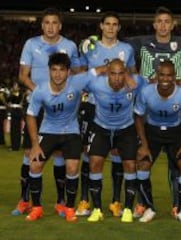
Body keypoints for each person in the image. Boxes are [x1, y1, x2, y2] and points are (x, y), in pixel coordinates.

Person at [126, 6, 181, 217]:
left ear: (173, 24)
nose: (164, 25)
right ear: (154, 24)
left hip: (174, 112)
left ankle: (178, 206)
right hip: (148, 111)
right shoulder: (140, 43)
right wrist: (135, 75)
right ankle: (144, 205)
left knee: (178, 166)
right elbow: (119, 49)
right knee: (142, 161)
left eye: (168, 21)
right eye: (160, 21)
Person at [12, 7, 82, 216]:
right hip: (38, 103)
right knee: (30, 153)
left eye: (54, 23)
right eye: (47, 23)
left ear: (60, 25)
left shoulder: (69, 46)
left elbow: (77, 72)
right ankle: (25, 199)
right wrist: (42, 93)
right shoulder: (31, 44)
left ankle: (61, 201)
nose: (50, 27)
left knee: (61, 153)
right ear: (42, 25)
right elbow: (23, 75)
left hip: (63, 107)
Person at [24, 52, 103, 222]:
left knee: (73, 168)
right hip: (48, 130)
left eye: (61, 70)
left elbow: (97, 71)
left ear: (68, 72)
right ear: (49, 71)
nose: (57, 74)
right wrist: (35, 144)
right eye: (54, 70)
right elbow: (30, 115)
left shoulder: (76, 82)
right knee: (35, 165)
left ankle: (69, 208)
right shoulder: (41, 90)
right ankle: (37, 208)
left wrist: (117, 68)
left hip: (71, 131)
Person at [75, 11, 137, 218]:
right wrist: (100, 69)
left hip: (117, 106)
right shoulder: (90, 47)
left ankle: (116, 201)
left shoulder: (126, 49)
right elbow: (80, 74)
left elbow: (132, 76)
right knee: (89, 154)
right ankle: (85, 200)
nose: (111, 28)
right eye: (107, 24)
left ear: (119, 28)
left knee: (119, 154)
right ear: (101, 26)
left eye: (115, 24)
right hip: (92, 106)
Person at [80, 59, 144, 223]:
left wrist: (132, 76)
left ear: (125, 74)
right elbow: (78, 80)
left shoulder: (135, 83)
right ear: (108, 73)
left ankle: (128, 209)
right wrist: (99, 69)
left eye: (121, 73)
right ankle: (97, 209)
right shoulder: (97, 84)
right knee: (94, 163)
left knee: (130, 165)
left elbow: (155, 82)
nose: (117, 78)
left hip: (125, 129)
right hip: (101, 128)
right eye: (113, 73)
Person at [134, 60, 181, 224]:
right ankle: (149, 208)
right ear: (156, 76)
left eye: (169, 75)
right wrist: (144, 145)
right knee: (143, 165)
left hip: (176, 132)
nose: (165, 79)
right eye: (162, 75)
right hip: (152, 131)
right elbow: (138, 117)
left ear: (175, 76)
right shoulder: (146, 92)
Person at [8, 82, 25, 151]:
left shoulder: (20, 94)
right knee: (13, 129)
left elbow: (18, 101)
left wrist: (12, 94)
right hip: (14, 111)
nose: (14, 87)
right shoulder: (13, 94)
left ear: (18, 88)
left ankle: (15, 146)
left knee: (16, 129)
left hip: (17, 112)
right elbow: (8, 101)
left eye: (15, 86)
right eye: (14, 85)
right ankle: (14, 145)